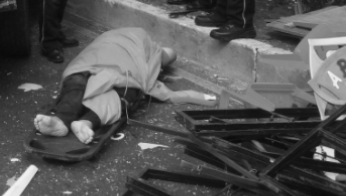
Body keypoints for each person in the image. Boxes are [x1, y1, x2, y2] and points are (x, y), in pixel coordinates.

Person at [33, 28, 214, 144]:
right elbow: (168, 58)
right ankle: (84, 122)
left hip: (96, 58)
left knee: (79, 79)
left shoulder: (124, 37)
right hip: (117, 61)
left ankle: (63, 120)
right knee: (125, 92)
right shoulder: (148, 47)